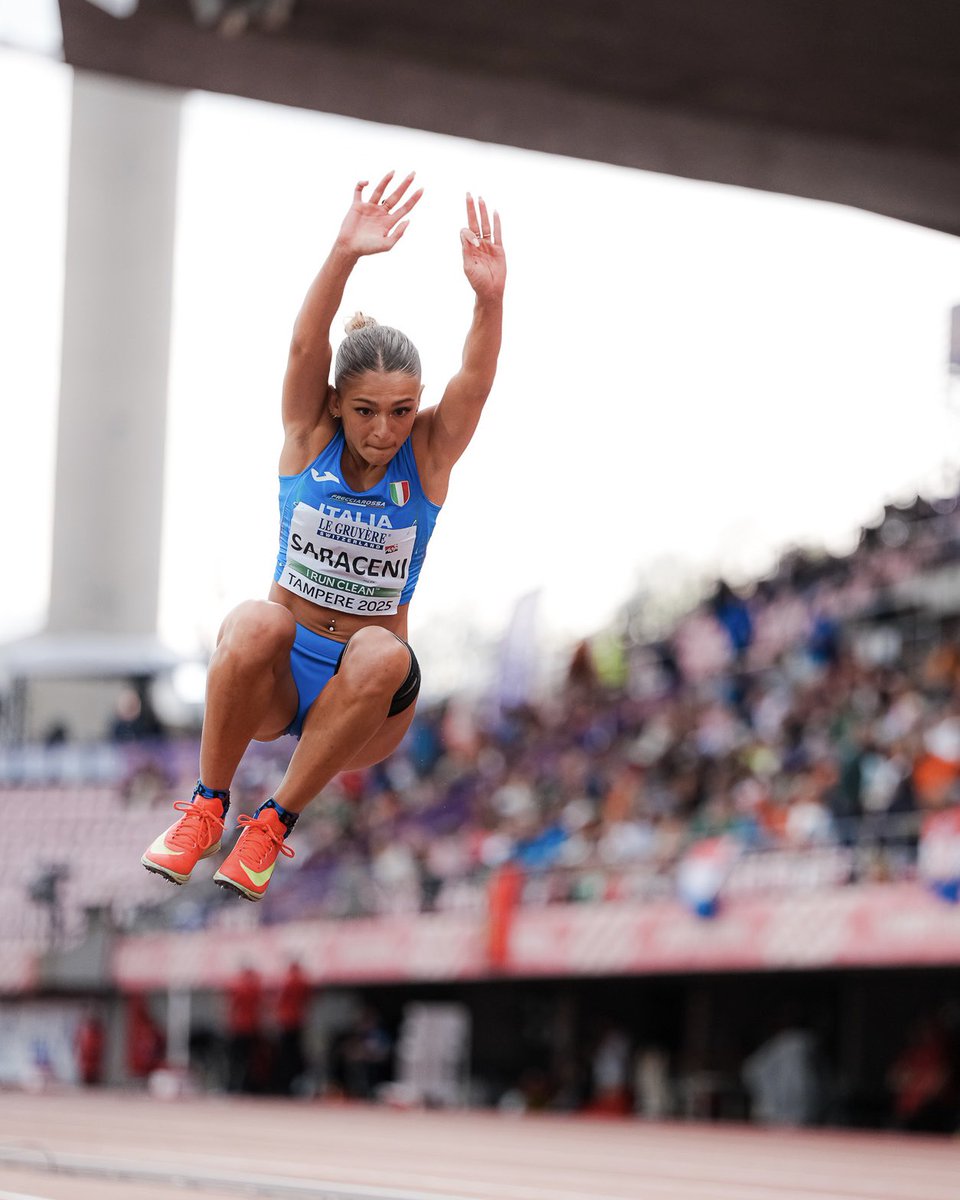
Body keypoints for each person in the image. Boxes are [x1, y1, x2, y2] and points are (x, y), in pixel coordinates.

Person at [141, 170, 506, 900]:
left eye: (402, 410)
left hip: (369, 701)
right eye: (367, 410)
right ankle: (207, 808)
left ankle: (273, 824)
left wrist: (489, 299)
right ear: (339, 404)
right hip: (283, 681)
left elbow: (475, 377)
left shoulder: (427, 456)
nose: (384, 430)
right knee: (252, 619)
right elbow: (308, 342)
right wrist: (344, 253)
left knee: (378, 649)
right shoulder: (307, 436)